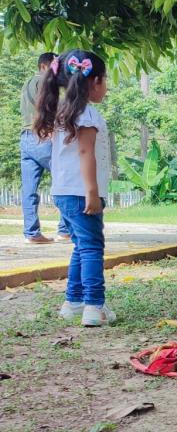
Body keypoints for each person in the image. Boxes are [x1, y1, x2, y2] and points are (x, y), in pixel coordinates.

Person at [34, 50, 115, 326]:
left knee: (81, 246)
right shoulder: (87, 114)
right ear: (93, 82)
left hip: (64, 192)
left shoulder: (64, 113)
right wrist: (92, 192)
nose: (106, 86)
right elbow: (85, 154)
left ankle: (73, 302)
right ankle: (94, 305)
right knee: (92, 247)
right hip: (81, 193)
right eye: (105, 79)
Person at [20, 52, 70, 244]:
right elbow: (47, 106)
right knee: (64, 179)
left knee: (29, 189)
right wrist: (52, 128)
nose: (58, 72)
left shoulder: (26, 84)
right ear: (44, 66)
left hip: (25, 138)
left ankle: (31, 234)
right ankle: (65, 230)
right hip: (43, 137)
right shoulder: (43, 81)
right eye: (55, 67)